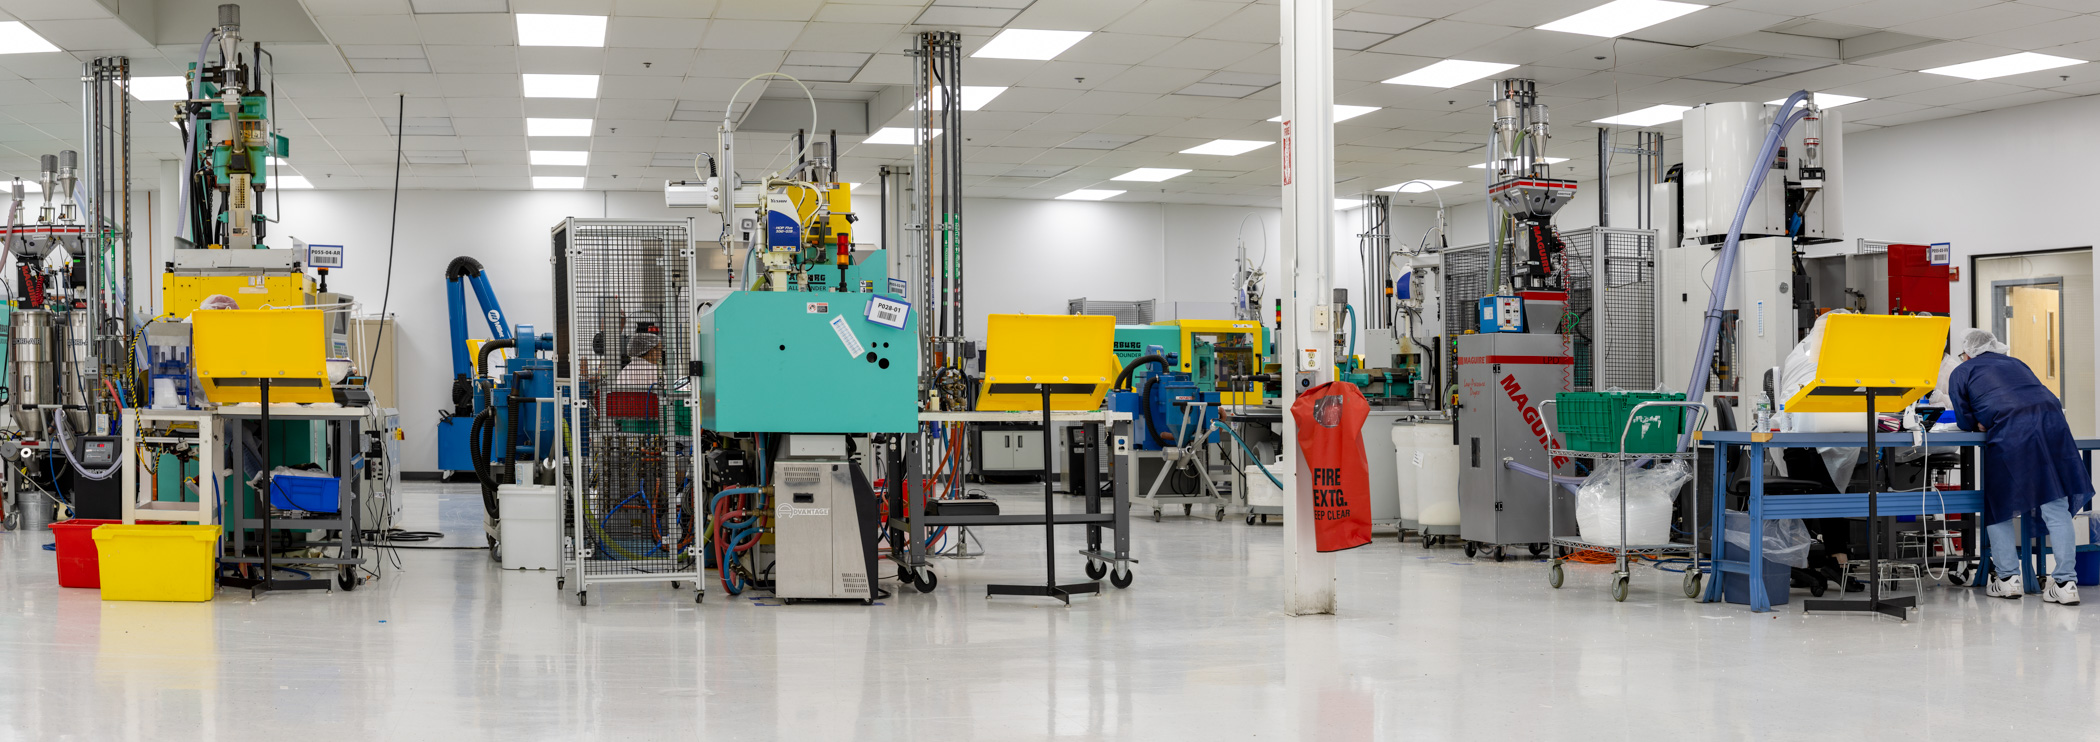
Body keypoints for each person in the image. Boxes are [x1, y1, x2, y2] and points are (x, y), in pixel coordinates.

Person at [1947, 327, 2093, 605]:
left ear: (1968, 353)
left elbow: (1965, 421)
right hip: (2053, 423)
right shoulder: (2016, 363)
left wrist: (1979, 421)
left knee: (1999, 505)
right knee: (2055, 502)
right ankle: (2066, 583)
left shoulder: (1962, 371)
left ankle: (2008, 579)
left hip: (2012, 430)